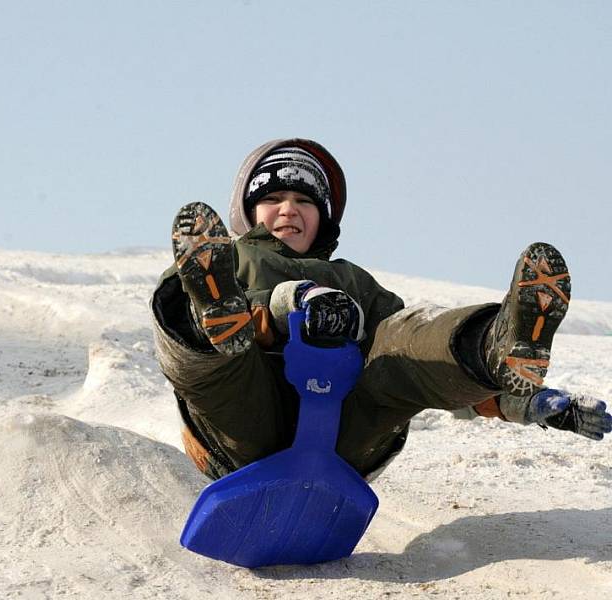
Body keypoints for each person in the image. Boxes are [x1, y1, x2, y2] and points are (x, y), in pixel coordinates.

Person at [150, 139, 612, 481]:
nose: (288, 209)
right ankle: (214, 319)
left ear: (324, 217)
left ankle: (492, 345)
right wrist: (283, 307)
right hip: (243, 433)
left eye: (304, 200)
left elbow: (420, 371)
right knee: (220, 360)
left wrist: (528, 404)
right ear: (248, 213)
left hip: (341, 440)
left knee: (399, 344)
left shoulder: (353, 280)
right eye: (272, 199)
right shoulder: (236, 258)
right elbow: (238, 313)